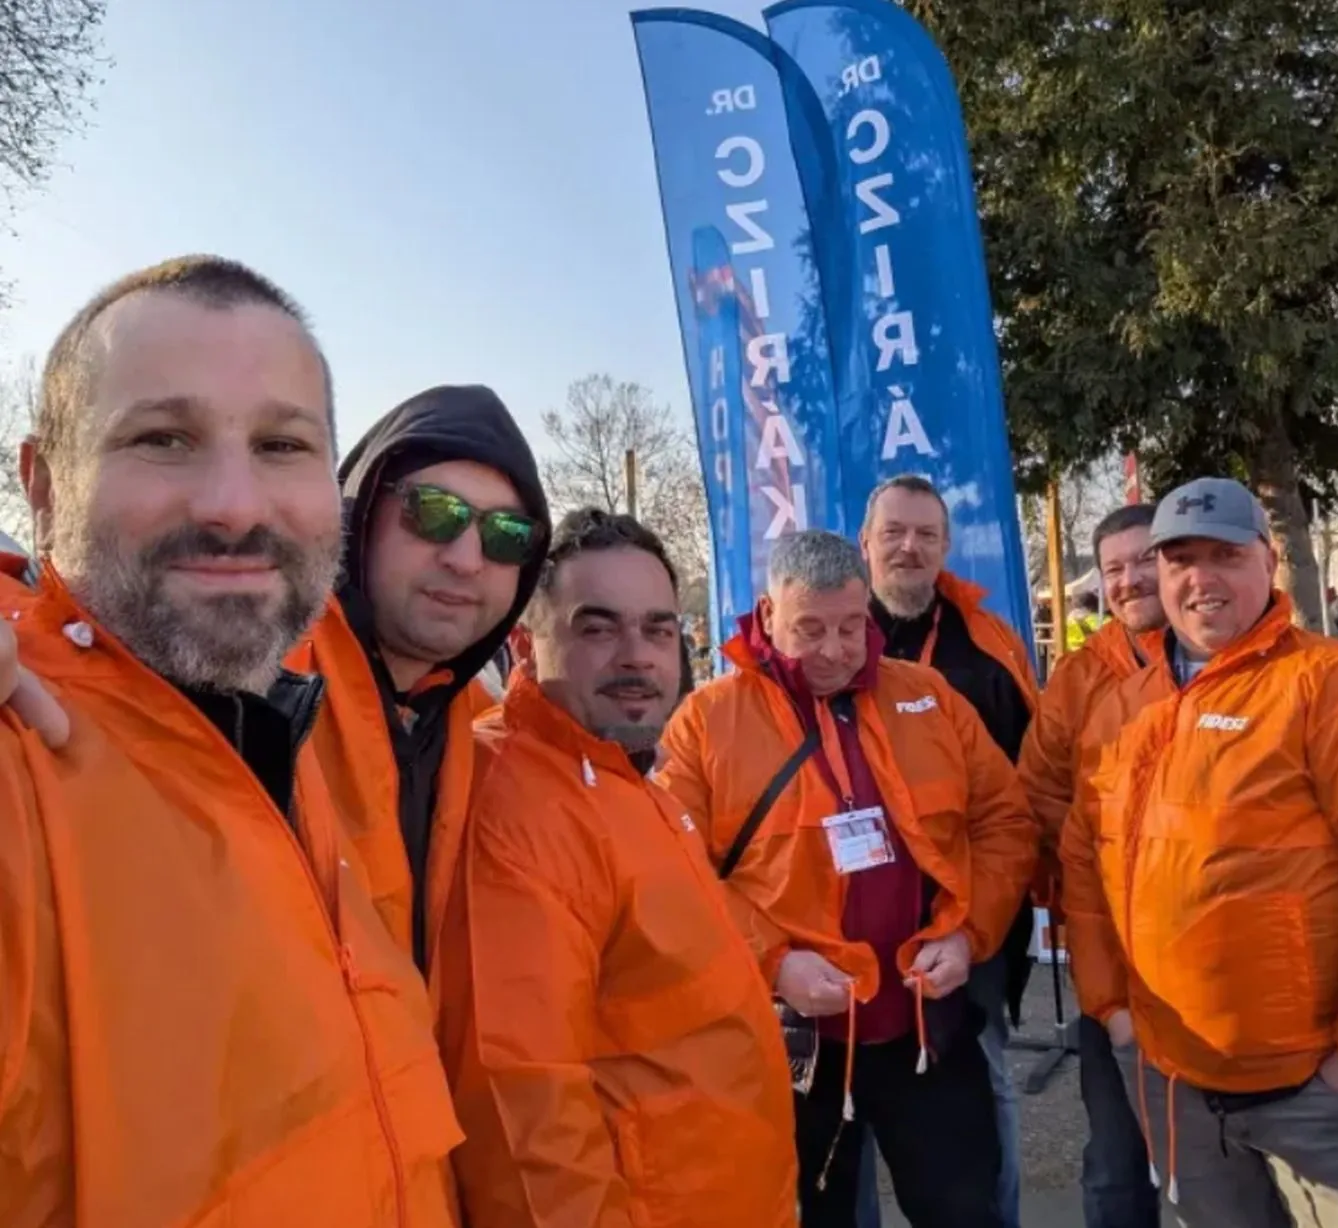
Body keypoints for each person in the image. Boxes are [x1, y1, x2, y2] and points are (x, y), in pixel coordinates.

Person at [0, 255, 459, 1222]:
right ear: (42, 486)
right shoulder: (19, 756)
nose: (236, 506)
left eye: (283, 446)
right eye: (162, 438)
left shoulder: (289, 743)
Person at [1063, 477, 1338, 1228]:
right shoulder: (1122, 709)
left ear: (1269, 560)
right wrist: (1115, 1012)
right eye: (1180, 559)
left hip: (1324, 1092)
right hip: (1176, 1080)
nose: (1200, 578)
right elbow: (1086, 869)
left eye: (1224, 555)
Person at [656, 529, 1039, 1228]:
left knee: (963, 1208)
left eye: (851, 626)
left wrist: (968, 935)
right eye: (811, 629)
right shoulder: (706, 723)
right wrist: (773, 963)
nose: (834, 650)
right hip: (792, 1043)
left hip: (925, 1026)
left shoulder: (929, 697)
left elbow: (1005, 823)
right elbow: (674, 874)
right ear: (768, 614)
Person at [438, 508, 796, 1227]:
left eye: (658, 630)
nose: (638, 657)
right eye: (598, 629)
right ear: (524, 644)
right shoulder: (521, 805)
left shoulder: (613, 771)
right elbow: (526, 1113)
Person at [287, 384, 549, 973]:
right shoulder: (258, 688)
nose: (466, 559)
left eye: (506, 534)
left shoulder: (469, 723)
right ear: (358, 516)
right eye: (433, 512)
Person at [859, 474, 1040, 1228]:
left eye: (926, 535)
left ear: (946, 546)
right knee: (844, 1099)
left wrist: (983, 920)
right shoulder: (828, 632)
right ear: (866, 542)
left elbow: (1021, 798)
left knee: (983, 1082)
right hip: (849, 923)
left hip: (967, 926)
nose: (910, 547)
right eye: (894, 532)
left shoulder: (987, 650)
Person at [1017, 503, 1167, 1228]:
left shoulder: (1225, 663)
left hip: (1218, 958)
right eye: (1114, 568)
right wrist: (1085, 873)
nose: (1130, 579)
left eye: (1145, 560)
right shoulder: (1080, 677)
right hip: (1111, 953)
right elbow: (1039, 791)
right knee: (1115, 1160)